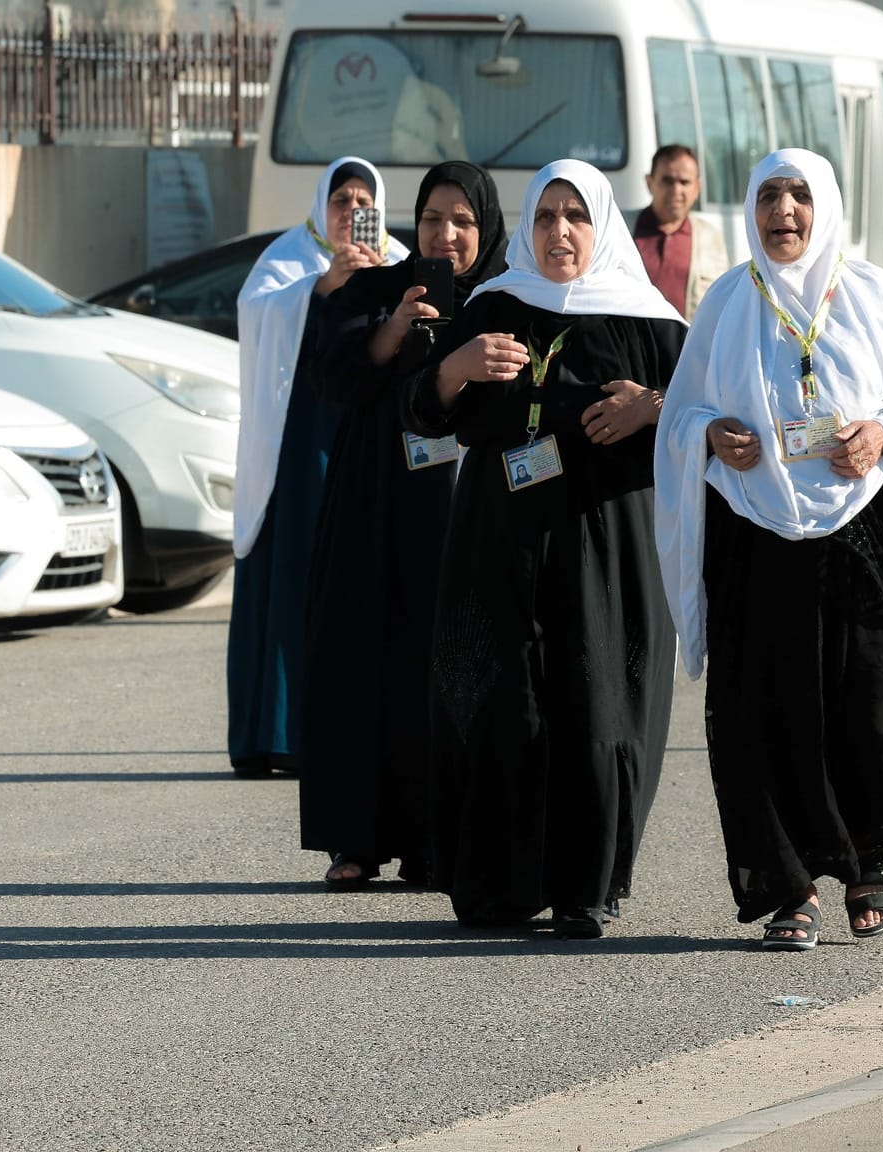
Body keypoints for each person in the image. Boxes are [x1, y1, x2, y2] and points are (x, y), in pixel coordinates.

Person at [655, 149, 883, 951]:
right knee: (765, 708)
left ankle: (869, 866)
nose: (783, 212)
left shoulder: (868, 293)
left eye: (798, 196)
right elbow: (680, 415)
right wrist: (711, 435)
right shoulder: (727, 302)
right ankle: (790, 886)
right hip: (754, 531)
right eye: (768, 196)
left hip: (859, 529)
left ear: (823, 204)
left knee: (873, 693)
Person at [402, 160, 687, 939]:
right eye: (545, 216)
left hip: (607, 540)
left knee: (597, 699)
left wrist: (653, 407)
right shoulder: (497, 304)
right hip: (500, 536)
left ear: (601, 226)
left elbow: (709, 417)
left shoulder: (651, 323)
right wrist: (457, 369)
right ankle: (497, 884)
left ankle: (585, 888)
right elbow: (420, 412)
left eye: (576, 217)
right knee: (501, 699)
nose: (559, 231)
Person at [301, 161, 507, 888]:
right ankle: (354, 838)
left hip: (467, 507)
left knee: (448, 665)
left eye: (462, 221)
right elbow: (336, 381)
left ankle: (435, 841)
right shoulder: (373, 286)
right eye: (430, 220)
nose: (445, 235)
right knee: (363, 657)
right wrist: (394, 326)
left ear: (485, 228)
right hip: (375, 499)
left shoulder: (511, 296)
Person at [229, 157, 407, 778]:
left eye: (363, 201)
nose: (352, 212)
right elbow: (258, 314)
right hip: (303, 439)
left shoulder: (395, 257)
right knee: (298, 567)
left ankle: (357, 728)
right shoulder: (289, 257)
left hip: (367, 431)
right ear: (321, 205)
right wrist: (325, 285)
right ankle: (278, 731)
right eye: (341, 200)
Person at [634, 145, 729, 320]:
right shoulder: (623, 229)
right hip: (632, 344)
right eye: (667, 181)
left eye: (684, 182)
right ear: (649, 183)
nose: (676, 190)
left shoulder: (710, 238)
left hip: (689, 345)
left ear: (697, 188)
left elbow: (724, 303)